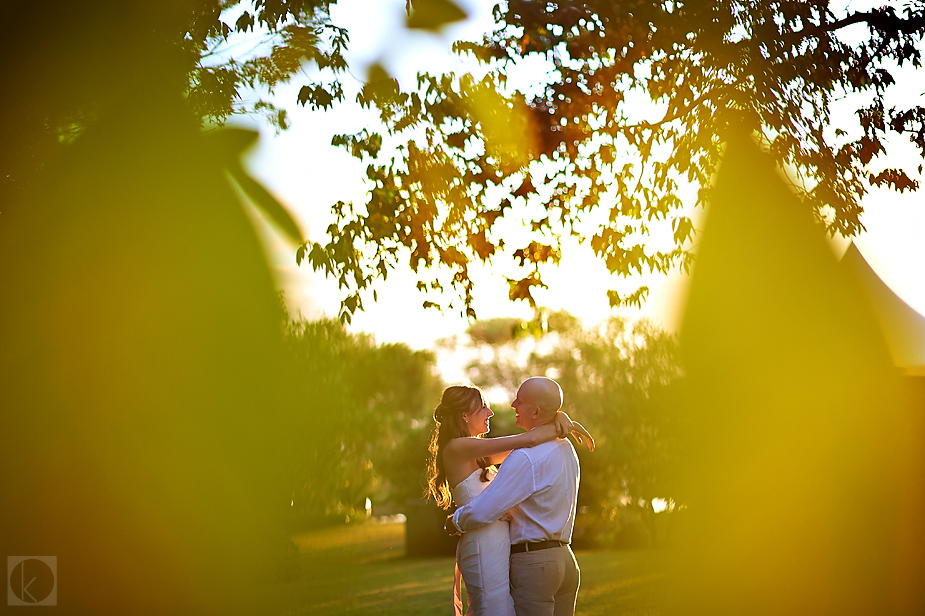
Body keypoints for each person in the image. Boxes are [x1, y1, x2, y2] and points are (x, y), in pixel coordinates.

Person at [426, 384, 593, 616]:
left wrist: (557, 416)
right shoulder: (458, 447)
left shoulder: (478, 453)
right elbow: (531, 439)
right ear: (464, 414)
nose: (490, 412)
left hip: (498, 543)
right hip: (482, 541)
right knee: (492, 607)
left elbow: (529, 440)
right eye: (483, 407)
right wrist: (562, 422)